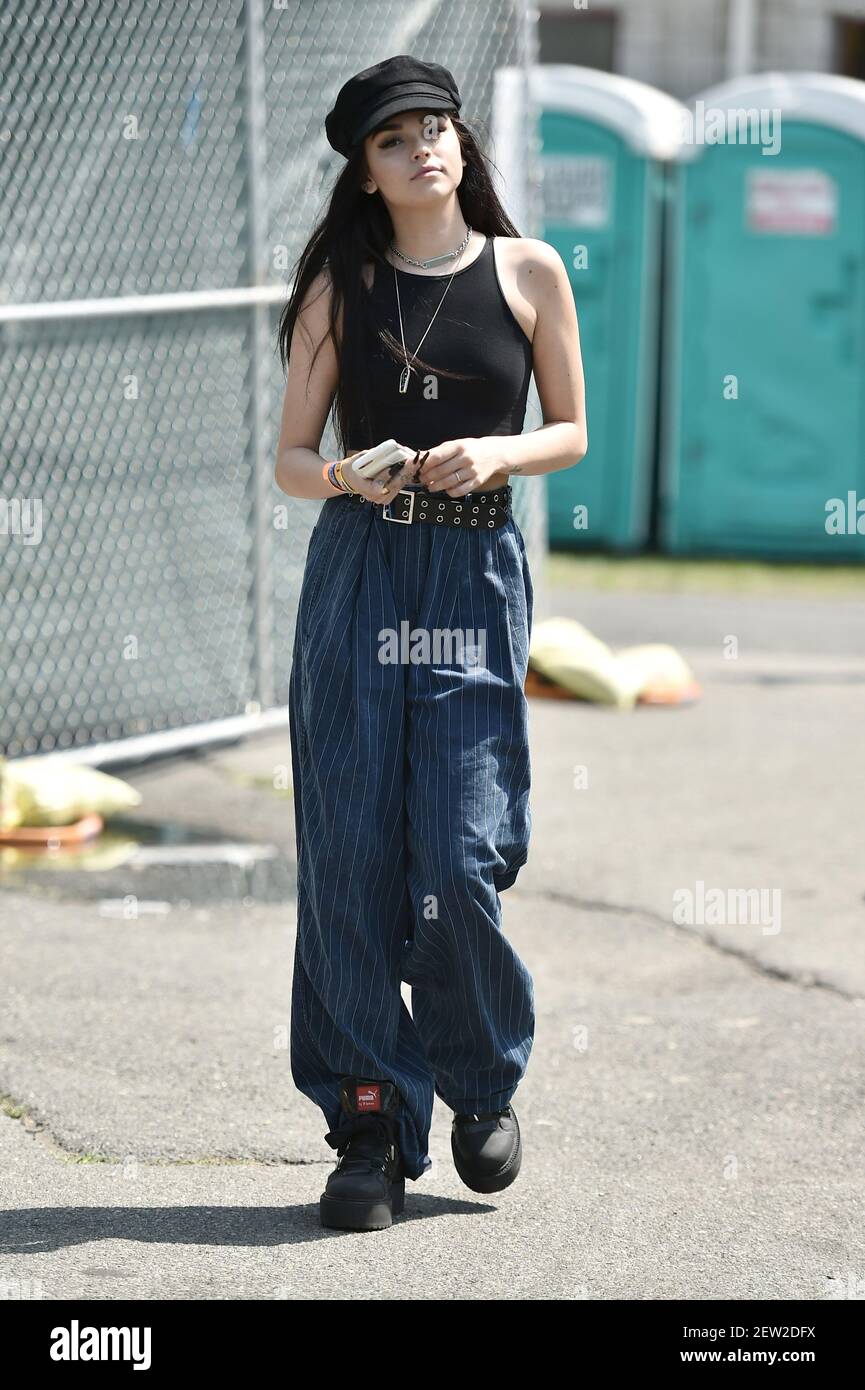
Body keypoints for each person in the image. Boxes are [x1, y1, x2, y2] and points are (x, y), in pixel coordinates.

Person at [274, 54, 587, 1231]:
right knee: (347, 855)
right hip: (360, 571)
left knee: (459, 855)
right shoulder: (334, 291)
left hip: (471, 576)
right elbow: (291, 460)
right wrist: (349, 472)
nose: (425, 149)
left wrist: (500, 452)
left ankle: (480, 1075)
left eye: (437, 129)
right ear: (365, 171)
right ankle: (368, 1122)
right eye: (396, 138)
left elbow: (571, 427)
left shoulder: (526, 270)